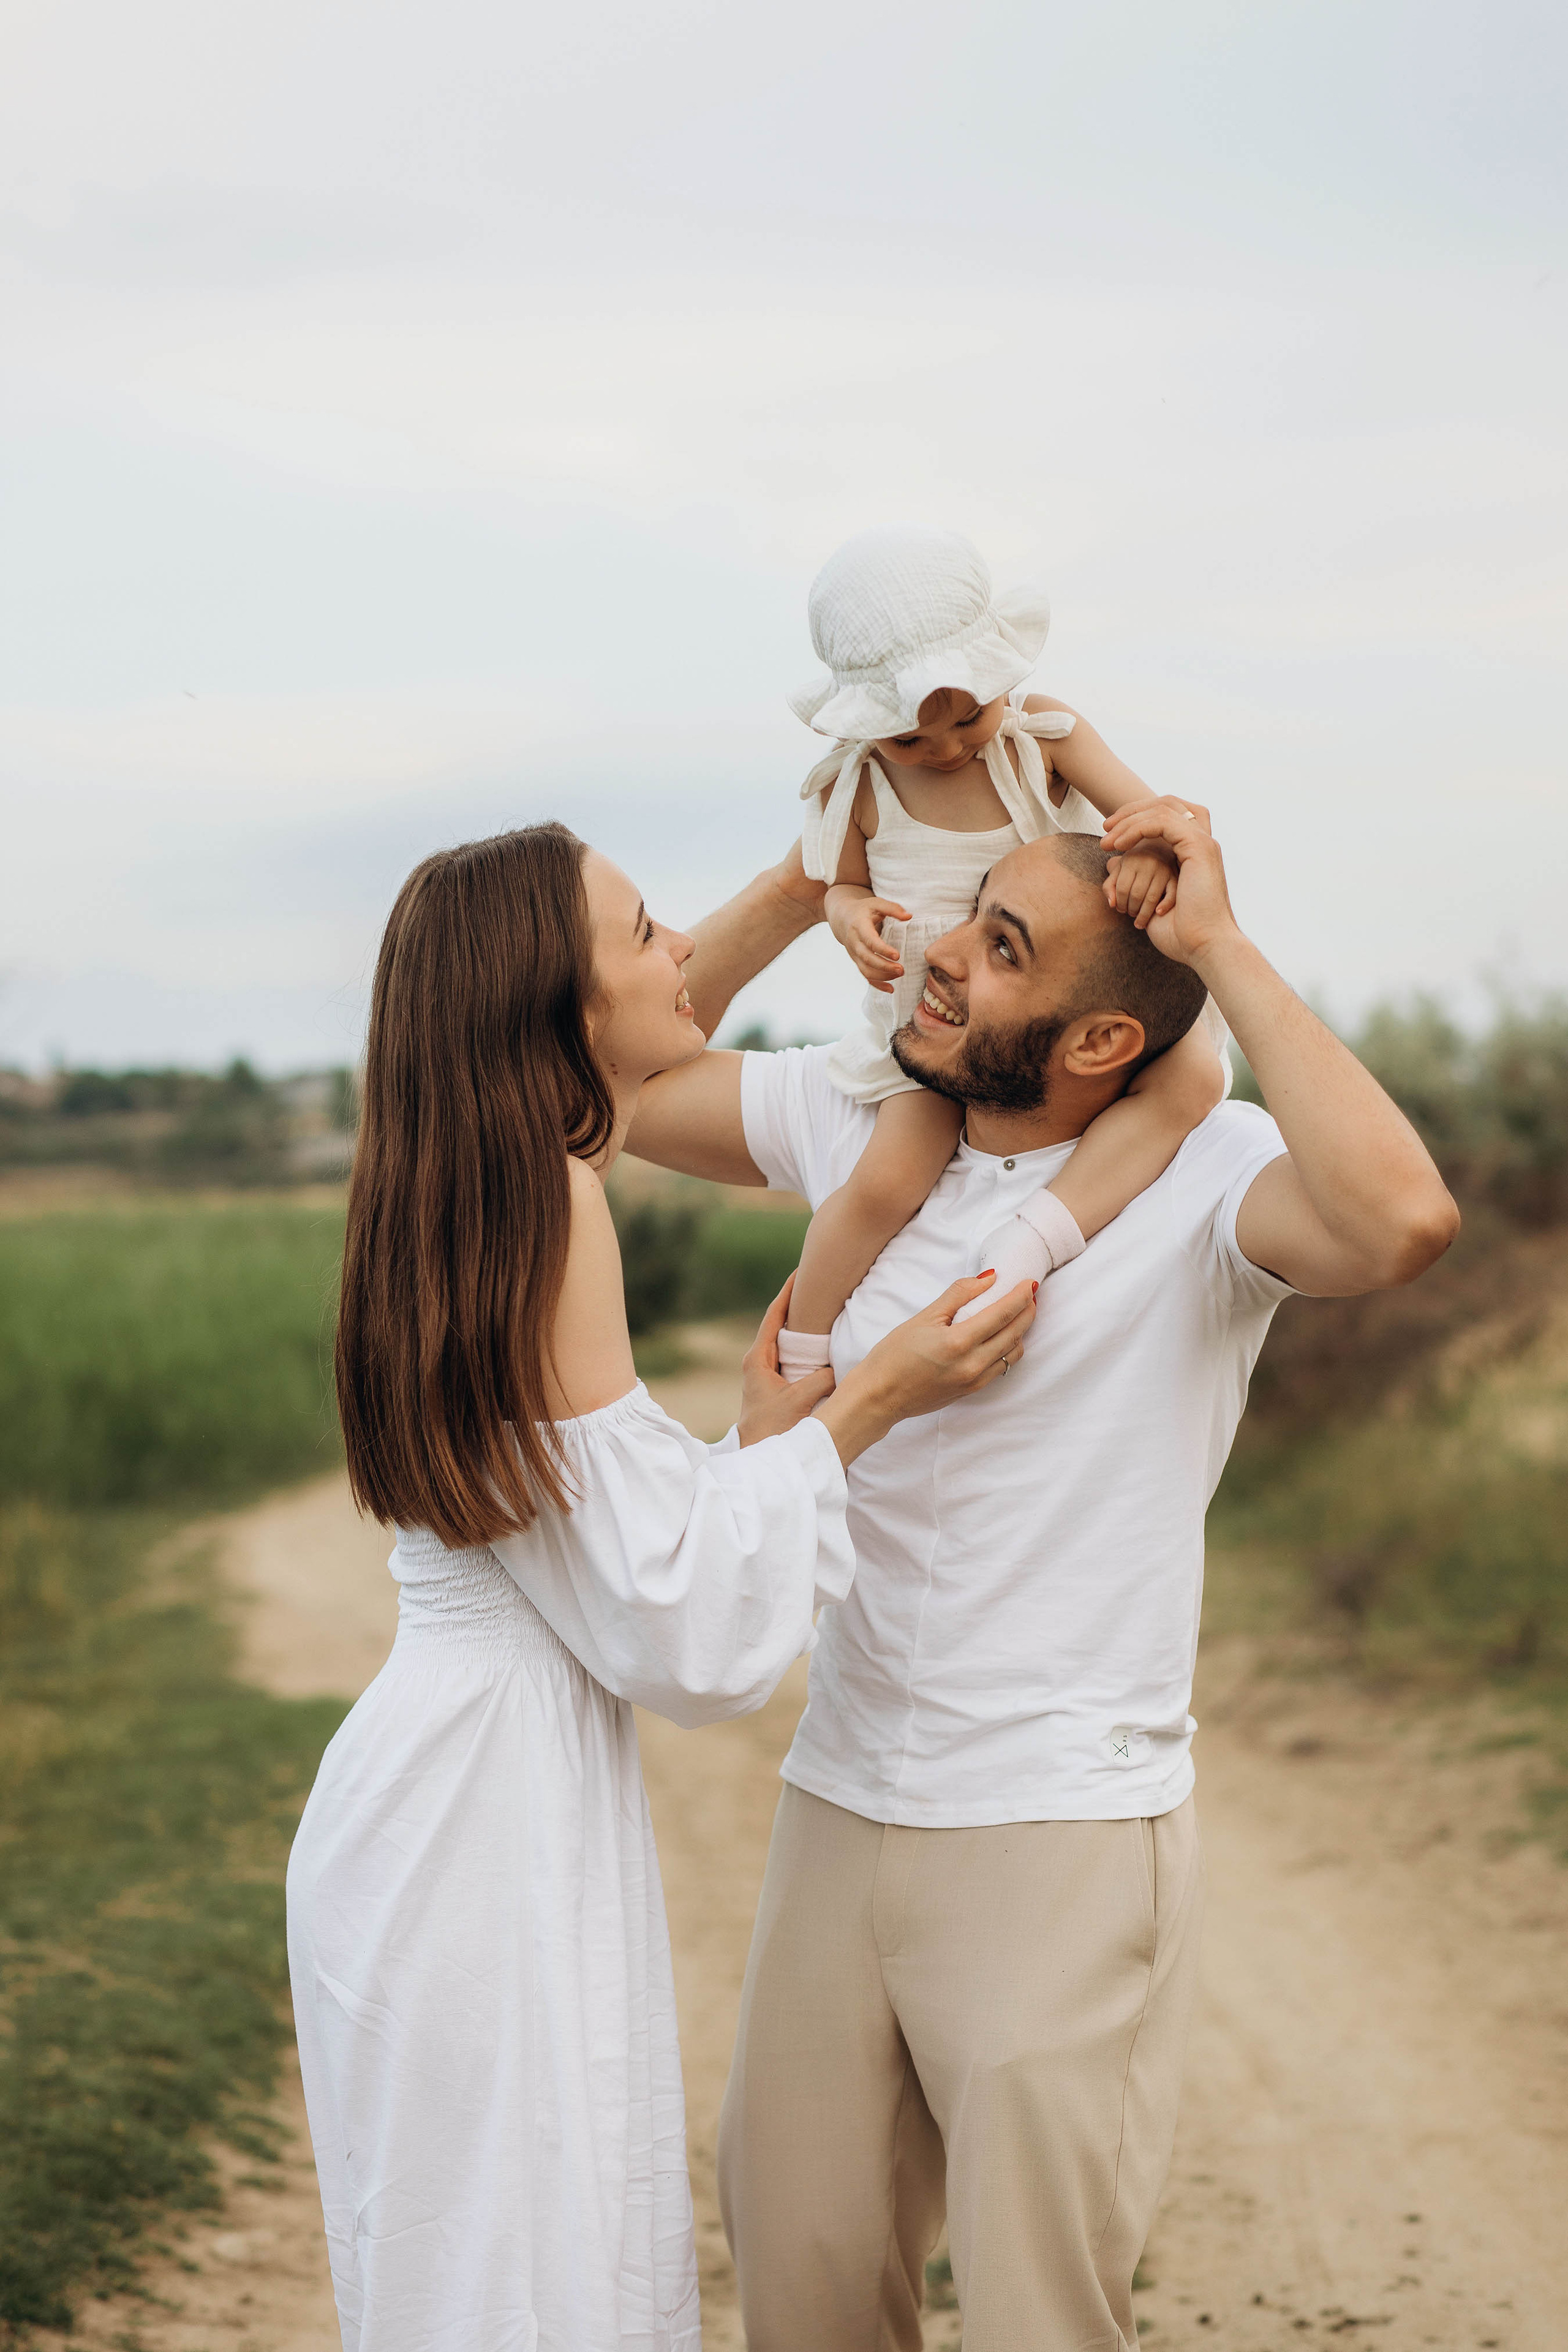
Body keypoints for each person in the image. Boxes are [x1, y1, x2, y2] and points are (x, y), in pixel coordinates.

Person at [625, 801, 1459, 2350]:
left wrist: (1218, 945)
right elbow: (610, 1090)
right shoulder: (859, 1109)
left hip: (1056, 1827)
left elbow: (1401, 1218)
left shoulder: (1208, 1176)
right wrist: (805, 881)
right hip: (838, 1799)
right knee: (801, 2283)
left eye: (1000, 947)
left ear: (1095, 1044)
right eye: (968, 914)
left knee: (1036, 2316)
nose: (942, 955)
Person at [284, 822, 1038, 2352]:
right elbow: (675, 1632)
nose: (678, 949)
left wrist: (796, 886)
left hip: (441, 1783)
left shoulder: (461, 1184)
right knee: (517, 2270)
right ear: (551, 1005)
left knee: (483, 2261)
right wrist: (866, 1405)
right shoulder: (552, 1209)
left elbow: (587, 1538)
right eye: (640, 934)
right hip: (481, 1817)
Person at [778, 523, 1229, 1379]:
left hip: (1064, 998)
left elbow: (1152, 817)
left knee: (1194, 1077)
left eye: (969, 716)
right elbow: (837, 887)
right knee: (886, 1183)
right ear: (867, 725)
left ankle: (1035, 1237)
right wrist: (850, 914)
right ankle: (801, 1351)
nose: (948, 748)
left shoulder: (1041, 739)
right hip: (935, 1018)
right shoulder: (860, 785)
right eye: (912, 738)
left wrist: (1144, 852)